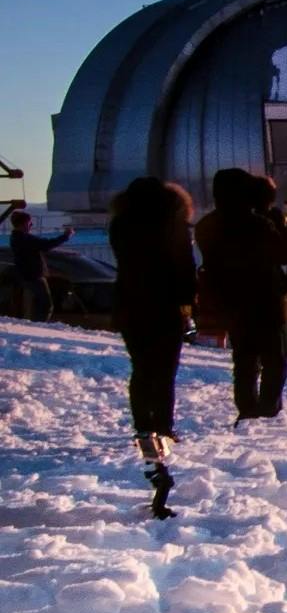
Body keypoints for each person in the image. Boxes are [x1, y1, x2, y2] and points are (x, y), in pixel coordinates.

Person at [108, 178, 195, 516]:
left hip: (130, 305)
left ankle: (143, 424)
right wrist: (188, 302)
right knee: (165, 369)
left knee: (141, 367)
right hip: (165, 305)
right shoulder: (173, 224)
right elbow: (184, 266)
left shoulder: (121, 225)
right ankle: (164, 424)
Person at [194, 169, 287, 421]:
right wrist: (276, 219)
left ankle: (247, 409)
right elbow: (286, 254)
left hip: (231, 302)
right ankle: (268, 409)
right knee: (275, 360)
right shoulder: (258, 224)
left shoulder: (207, 225)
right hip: (266, 300)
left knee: (244, 361)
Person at [8, 209, 75, 322]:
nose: (31, 225)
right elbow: (46, 244)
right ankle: (39, 326)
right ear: (23, 224)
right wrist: (65, 236)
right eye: (29, 222)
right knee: (46, 305)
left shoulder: (17, 237)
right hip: (33, 276)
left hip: (27, 276)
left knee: (36, 304)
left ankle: (36, 324)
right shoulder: (24, 238)